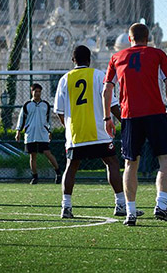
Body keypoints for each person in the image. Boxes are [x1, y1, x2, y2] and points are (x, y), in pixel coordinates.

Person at [102, 22, 167, 226]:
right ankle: (161, 206)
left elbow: (106, 90)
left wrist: (107, 118)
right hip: (155, 113)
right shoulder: (157, 54)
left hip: (129, 116)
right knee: (166, 158)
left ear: (130, 39)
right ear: (149, 38)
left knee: (130, 164)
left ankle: (130, 212)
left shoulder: (116, 57)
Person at [54, 45, 143, 219]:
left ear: (73, 60)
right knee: (112, 163)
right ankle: (120, 205)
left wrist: (69, 128)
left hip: (76, 134)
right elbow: (112, 104)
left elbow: (59, 111)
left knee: (71, 167)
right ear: (89, 60)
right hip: (100, 131)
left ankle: (66, 207)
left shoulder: (64, 79)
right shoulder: (99, 75)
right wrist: (125, 123)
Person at [15, 83, 62, 184]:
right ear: (32, 92)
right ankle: (35, 177)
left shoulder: (45, 105)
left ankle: (58, 173)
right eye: (35, 91)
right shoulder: (27, 105)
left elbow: (48, 120)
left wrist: (50, 131)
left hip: (42, 134)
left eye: (39, 91)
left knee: (47, 153)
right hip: (30, 134)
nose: (37, 93)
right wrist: (18, 131)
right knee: (33, 156)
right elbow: (21, 119)